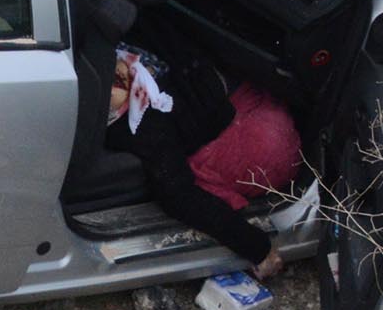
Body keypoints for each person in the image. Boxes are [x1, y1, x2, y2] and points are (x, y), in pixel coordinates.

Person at [107, 43, 303, 279]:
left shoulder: (144, 122)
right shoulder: (143, 122)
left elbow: (180, 196)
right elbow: (180, 195)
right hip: (250, 108)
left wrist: (259, 250)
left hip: (256, 124)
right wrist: (258, 247)